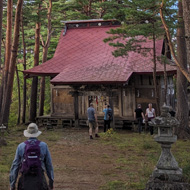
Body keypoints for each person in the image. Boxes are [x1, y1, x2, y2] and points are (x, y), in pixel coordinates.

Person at [9, 123, 54, 190]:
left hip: (25, 180)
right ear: (37, 133)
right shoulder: (44, 145)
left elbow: (15, 165)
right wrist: (51, 180)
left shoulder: (21, 146)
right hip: (39, 179)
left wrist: (12, 184)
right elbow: (49, 164)